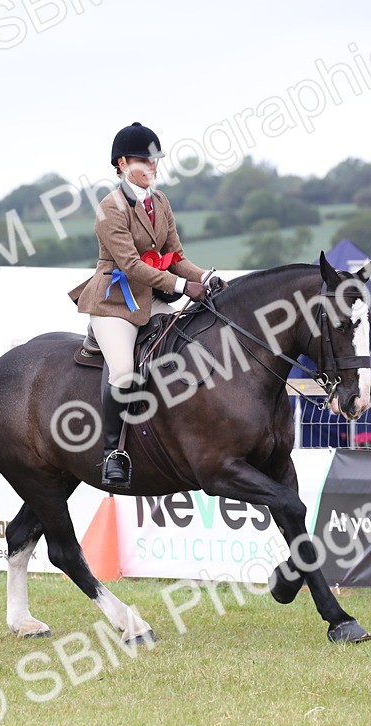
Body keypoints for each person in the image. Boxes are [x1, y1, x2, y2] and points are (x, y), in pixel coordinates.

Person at [68, 122, 214, 488]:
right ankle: (112, 454)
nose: (152, 166)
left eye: (154, 160)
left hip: (152, 299)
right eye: (143, 160)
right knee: (123, 372)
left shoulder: (160, 202)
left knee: (189, 344)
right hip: (114, 302)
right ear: (121, 164)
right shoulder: (110, 208)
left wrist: (206, 277)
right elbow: (131, 265)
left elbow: (175, 256)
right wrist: (183, 286)